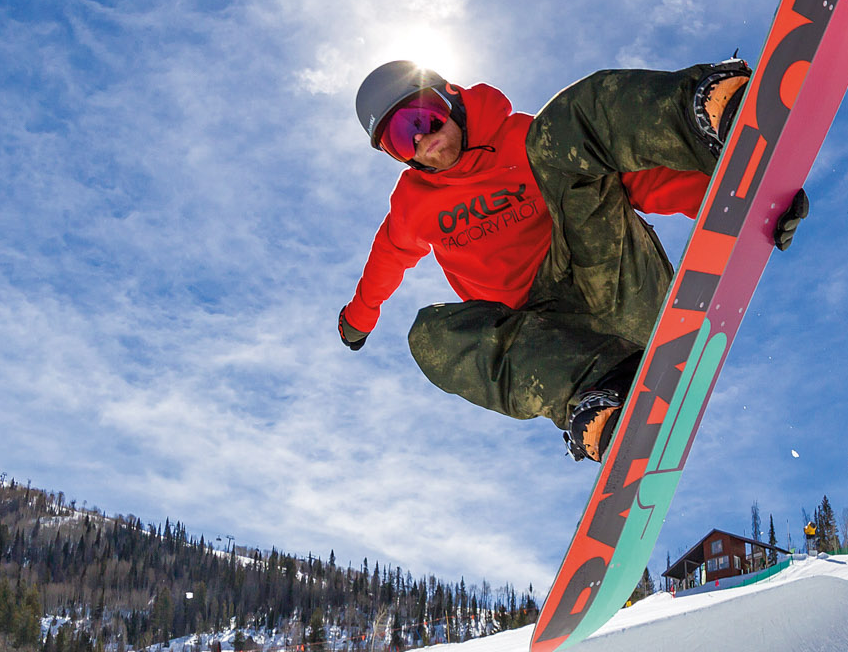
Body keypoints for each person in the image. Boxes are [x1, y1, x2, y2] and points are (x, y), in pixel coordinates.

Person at [338, 59, 809, 462]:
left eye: (424, 117)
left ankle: (704, 114)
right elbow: (385, 264)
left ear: (450, 98)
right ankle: (604, 398)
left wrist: (740, 200)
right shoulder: (412, 206)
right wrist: (357, 321)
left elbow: (635, 184)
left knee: (560, 126)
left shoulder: (525, 139)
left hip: (613, 281)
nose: (424, 141)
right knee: (429, 335)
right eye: (401, 140)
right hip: (557, 341)